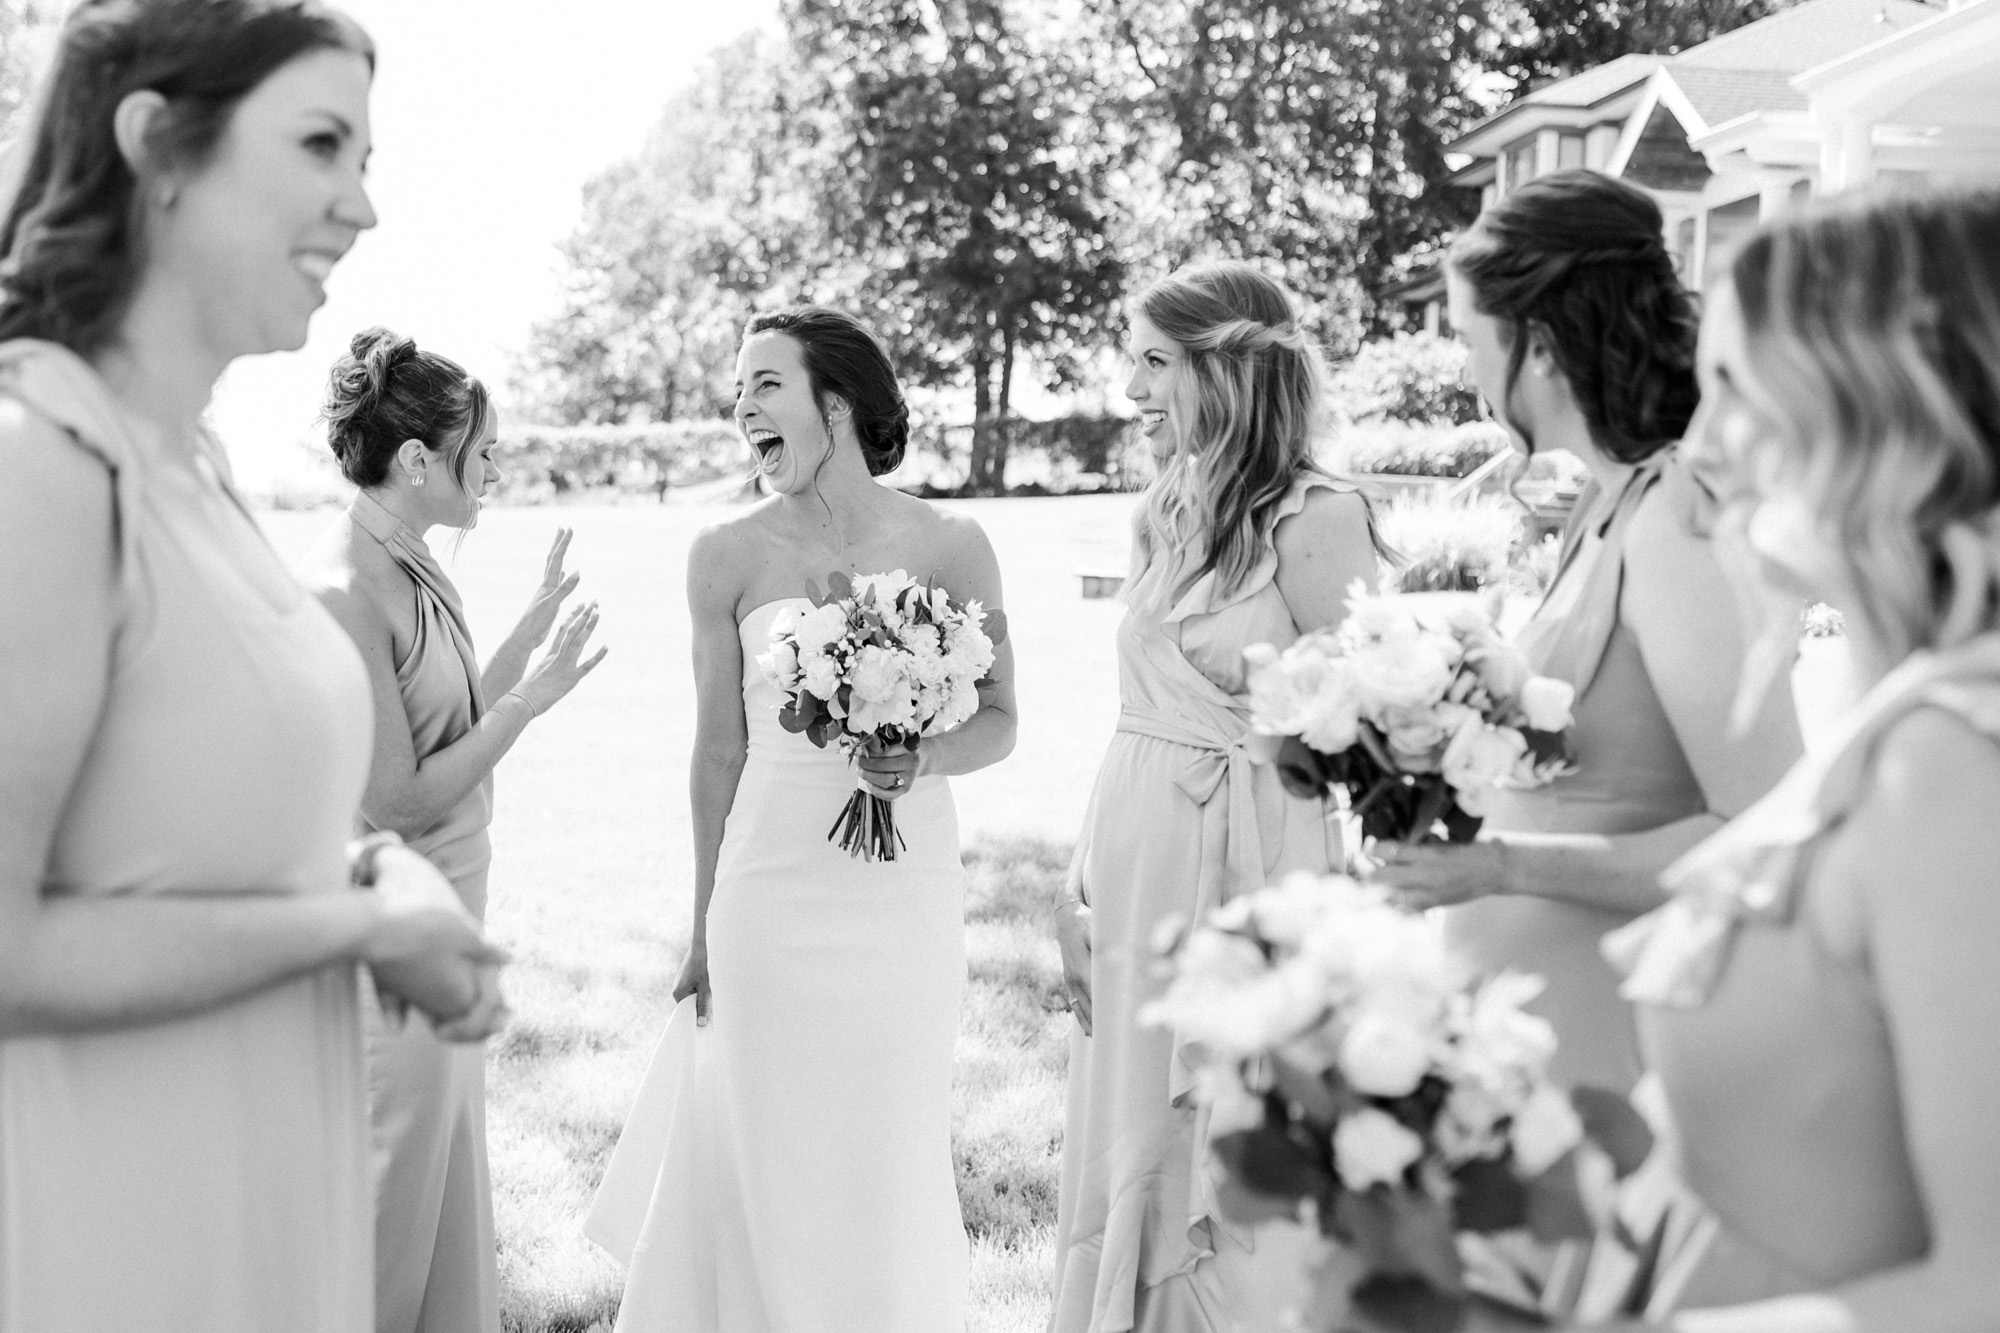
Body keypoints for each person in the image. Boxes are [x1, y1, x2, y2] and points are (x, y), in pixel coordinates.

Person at [0, 5, 507, 1332]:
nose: (364, 208)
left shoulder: (203, 464)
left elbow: (213, 807)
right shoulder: (41, 460)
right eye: (323, 145)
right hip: (127, 1215)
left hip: (274, 1161)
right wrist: (359, 928)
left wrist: (373, 867)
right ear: (158, 144)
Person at [1581, 188, 2000, 1333]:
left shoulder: (1953, 766)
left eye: (1732, 387)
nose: (1699, 440)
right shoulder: (1903, 715)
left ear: (1877, 408)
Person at [585, 305, 1017, 1332]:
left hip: (903, 892)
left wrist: (919, 758)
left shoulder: (953, 542)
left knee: (884, 1133)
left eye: (763, 385)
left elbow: (998, 721)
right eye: (738, 391)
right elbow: (717, 750)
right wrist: (700, 923)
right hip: (767, 889)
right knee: (763, 1132)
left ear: (836, 402)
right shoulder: (722, 553)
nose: (741, 407)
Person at [1373, 170, 1801, 1093]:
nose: (1468, 372)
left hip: (1614, 1043)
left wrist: (1496, 866)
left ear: (1536, 344)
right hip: (1528, 1035)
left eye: (1468, 338)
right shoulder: (1603, 509)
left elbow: (1762, 832)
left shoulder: (1677, 521)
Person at [1049, 260, 1384, 1333]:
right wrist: (1076, 880)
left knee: (1237, 1132)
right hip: (1134, 851)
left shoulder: (1321, 515)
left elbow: (1362, 730)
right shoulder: (1165, 505)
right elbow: (1134, 712)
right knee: (1129, 1120)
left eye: (1152, 362)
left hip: (1255, 860)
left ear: (1225, 371)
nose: (1131, 389)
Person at [303, 327, 605, 1333]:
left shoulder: (416, 559)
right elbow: (395, 797)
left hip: (453, 906)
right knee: (393, 1199)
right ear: (418, 458)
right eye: (483, 443)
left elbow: (444, 716)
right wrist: (535, 700)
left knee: (443, 1183)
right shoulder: (350, 584)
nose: (497, 462)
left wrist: (525, 633)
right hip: (397, 938)